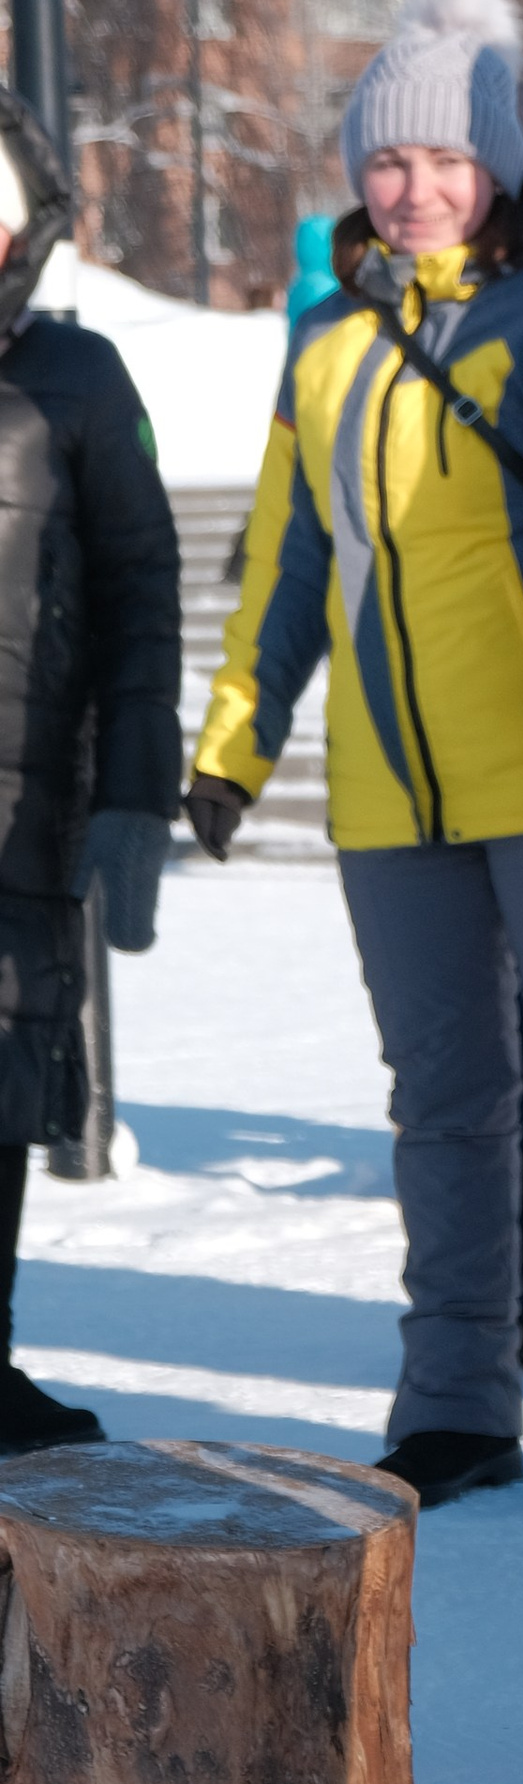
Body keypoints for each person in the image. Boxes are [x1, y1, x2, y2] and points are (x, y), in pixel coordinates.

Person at [186, 0, 523, 1514]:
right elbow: (291, 560)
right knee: (440, 1100)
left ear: (498, 171)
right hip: (385, 786)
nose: (413, 190)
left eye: (442, 161)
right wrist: (236, 738)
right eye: (386, 161)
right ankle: (456, 1401)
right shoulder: (329, 346)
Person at [0, 90, 181, 1456]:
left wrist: (134, 788)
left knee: (3, 1076)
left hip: (22, 811)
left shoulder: (79, 376)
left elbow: (140, 590)